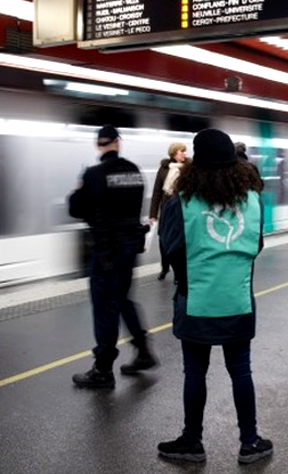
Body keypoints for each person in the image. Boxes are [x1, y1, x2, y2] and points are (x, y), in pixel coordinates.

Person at [157, 128, 272, 465]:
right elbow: (256, 247)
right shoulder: (253, 201)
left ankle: (192, 441)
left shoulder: (181, 203)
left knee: (195, 373)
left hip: (196, 303)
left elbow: (171, 249)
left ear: (195, 163)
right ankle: (250, 442)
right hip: (237, 301)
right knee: (241, 371)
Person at [69, 125, 157, 388]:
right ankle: (143, 351)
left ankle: (103, 370)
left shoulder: (94, 174)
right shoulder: (135, 172)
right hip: (130, 247)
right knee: (122, 299)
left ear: (99, 145)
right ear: (118, 142)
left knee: (106, 307)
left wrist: (78, 189)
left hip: (106, 249)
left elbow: (75, 208)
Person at [149, 142, 187, 280]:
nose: (184, 154)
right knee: (163, 239)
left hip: (182, 210)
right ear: (174, 153)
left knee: (179, 241)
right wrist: (153, 214)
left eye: (184, 151)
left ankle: (178, 272)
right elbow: (157, 192)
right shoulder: (164, 169)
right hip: (166, 210)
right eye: (181, 151)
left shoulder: (188, 168)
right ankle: (165, 268)